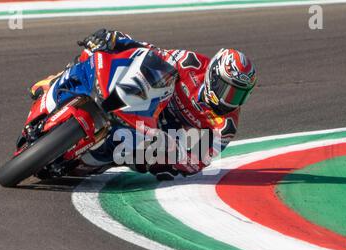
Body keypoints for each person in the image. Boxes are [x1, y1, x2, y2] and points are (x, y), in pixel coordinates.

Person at [32, 29, 258, 180]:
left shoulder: (225, 127)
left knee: (106, 162)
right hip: (147, 98)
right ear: (214, 76)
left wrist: (168, 160)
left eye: (239, 95)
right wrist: (118, 40)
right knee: (96, 50)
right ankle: (58, 80)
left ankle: (87, 155)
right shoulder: (193, 63)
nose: (231, 100)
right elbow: (153, 54)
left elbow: (196, 161)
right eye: (228, 90)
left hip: (157, 137)